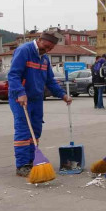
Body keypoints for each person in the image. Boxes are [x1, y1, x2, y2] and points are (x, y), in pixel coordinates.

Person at [8, 32, 72, 177]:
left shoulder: (44, 59)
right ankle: (22, 165)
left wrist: (62, 95)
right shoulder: (24, 51)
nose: (47, 50)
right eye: (46, 46)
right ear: (40, 40)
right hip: (20, 98)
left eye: (50, 49)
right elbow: (13, 74)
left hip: (36, 99)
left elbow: (50, 81)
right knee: (24, 130)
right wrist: (20, 92)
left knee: (35, 130)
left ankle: (32, 160)